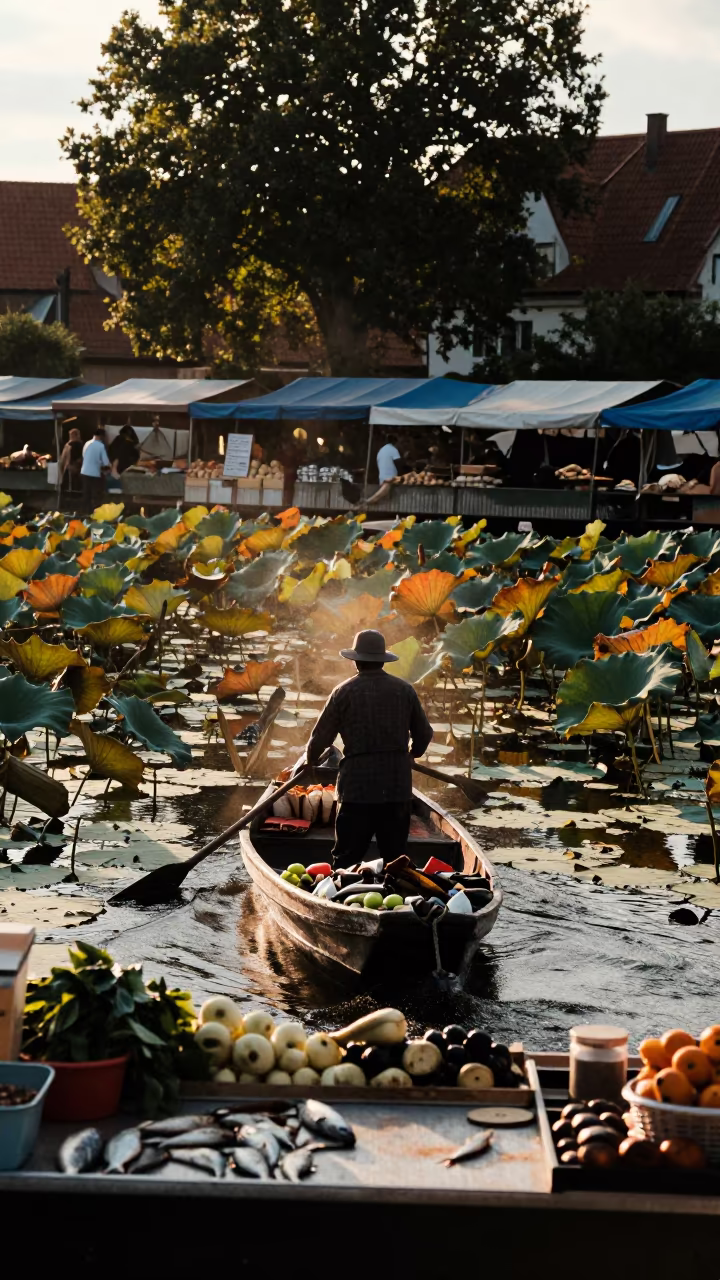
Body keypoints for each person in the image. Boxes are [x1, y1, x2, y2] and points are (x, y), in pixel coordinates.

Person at [305, 629, 433, 864]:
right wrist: (412, 754)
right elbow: (424, 734)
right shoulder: (405, 690)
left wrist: (310, 761)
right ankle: (395, 895)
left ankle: (340, 895)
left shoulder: (342, 692)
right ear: (382, 660)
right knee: (395, 858)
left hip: (357, 789)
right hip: (396, 786)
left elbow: (320, 738)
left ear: (356, 661)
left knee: (346, 858)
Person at [80, 427, 110, 511]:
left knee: (86, 494)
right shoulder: (101, 446)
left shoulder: (87, 443)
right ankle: (95, 512)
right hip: (94, 473)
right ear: (102, 436)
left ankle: (84, 512)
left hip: (84, 471)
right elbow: (106, 462)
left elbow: (84, 456)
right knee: (95, 495)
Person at [58, 428, 83, 494]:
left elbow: (63, 458)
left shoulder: (68, 446)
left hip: (69, 468)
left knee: (68, 487)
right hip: (79, 469)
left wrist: (62, 468)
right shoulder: (82, 445)